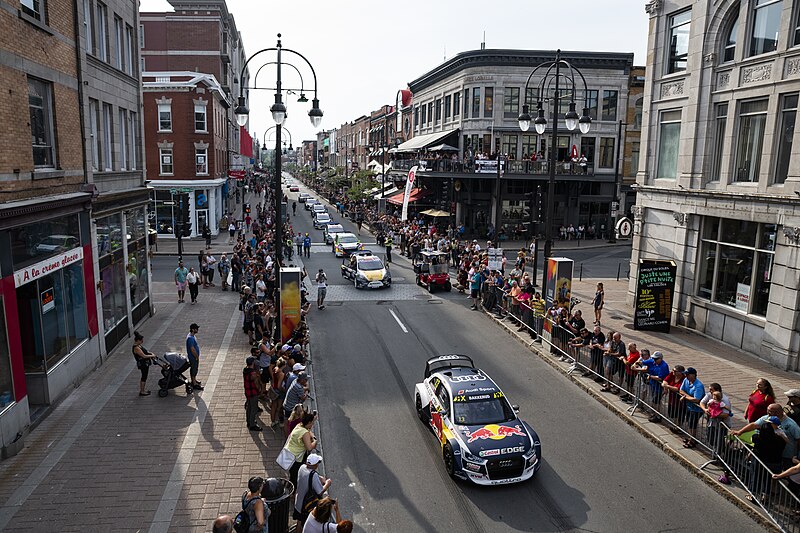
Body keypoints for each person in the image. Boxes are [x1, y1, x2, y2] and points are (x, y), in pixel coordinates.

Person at [294, 454, 331, 530]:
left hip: (298, 502)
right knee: (305, 525)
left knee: (299, 522)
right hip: (306, 506)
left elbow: (309, 476)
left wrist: (319, 478)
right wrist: (327, 484)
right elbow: (320, 492)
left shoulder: (302, 467)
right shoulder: (313, 475)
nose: (318, 464)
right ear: (314, 465)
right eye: (317, 462)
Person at [287, 411, 319, 490]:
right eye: (312, 423)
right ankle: (292, 493)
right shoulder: (304, 433)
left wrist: (312, 435)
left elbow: (308, 431)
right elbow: (309, 447)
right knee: (295, 477)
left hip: (290, 455)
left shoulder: (299, 426)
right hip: (296, 459)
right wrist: (315, 441)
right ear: (309, 422)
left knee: (292, 475)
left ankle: (290, 488)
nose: (312, 425)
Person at [679, 367, 705, 448]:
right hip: (689, 406)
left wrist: (685, 397)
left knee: (692, 424)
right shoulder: (686, 380)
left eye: (687, 374)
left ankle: (692, 440)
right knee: (689, 422)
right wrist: (686, 396)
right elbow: (681, 390)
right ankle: (691, 437)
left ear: (693, 375)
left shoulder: (698, 386)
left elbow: (696, 399)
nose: (686, 376)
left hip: (696, 409)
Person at [132, 330, 156, 397]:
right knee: (144, 376)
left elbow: (145, 352)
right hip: (143, 364)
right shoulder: (136, 348)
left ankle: (143, 390)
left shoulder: (138, 345)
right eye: (141, 340)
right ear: (138, 340)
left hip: (145, 363)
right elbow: (144, 356)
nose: (142, 341)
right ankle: (142, 391)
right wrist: (152, 356)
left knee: (145, 376)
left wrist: (150, 353)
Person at [244, 356, 262, 431]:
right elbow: (256, 384)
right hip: (253, 392)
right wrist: (260, 389)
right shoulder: (253, 373)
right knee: (253, 409)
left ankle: (249, 421)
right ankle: (252, 425)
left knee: (249, 407)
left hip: (247, 392)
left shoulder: (245, 370)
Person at [186, 323, 204, 390]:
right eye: (196, 329)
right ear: (193, 329)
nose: (197, 330)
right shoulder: (190, 338)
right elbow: (192, 349)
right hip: (193, 357)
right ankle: (194, 384)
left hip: (194, 357)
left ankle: (194, 380)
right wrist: (196, 356)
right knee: (194, 369)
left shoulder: (191, 336)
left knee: (195, 369)